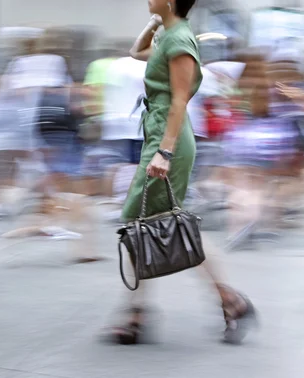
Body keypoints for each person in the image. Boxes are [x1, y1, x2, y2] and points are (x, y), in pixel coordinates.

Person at [107, 0, 257, 345]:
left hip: (167, 140)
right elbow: (136, 51)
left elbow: (179, 101)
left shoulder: (180, 41)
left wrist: (164, 151)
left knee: (152, 221)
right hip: (159, 135)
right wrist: (155, 22)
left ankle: (224, 301)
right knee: (150, 222)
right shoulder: (171, 34)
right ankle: (139, 313)